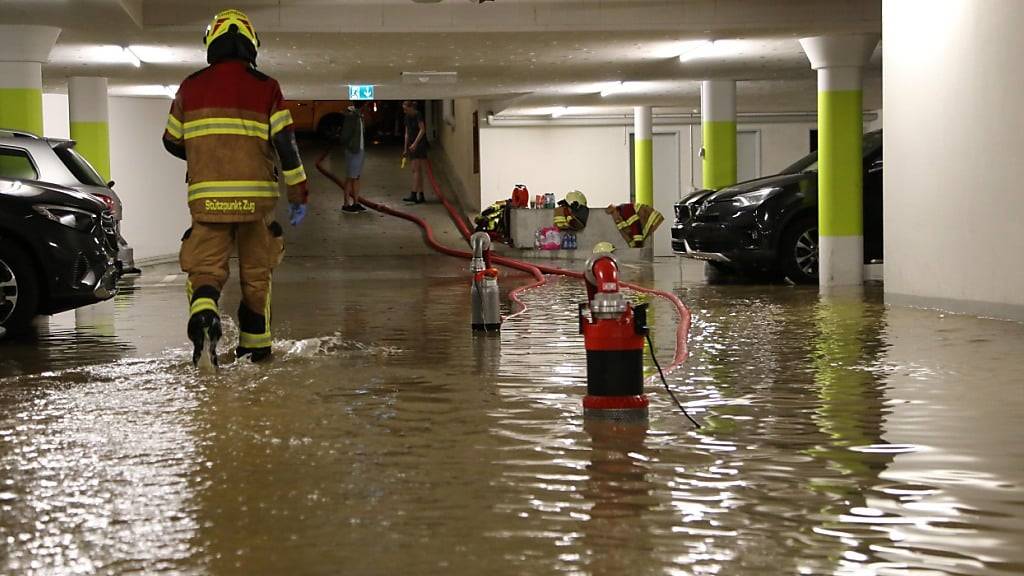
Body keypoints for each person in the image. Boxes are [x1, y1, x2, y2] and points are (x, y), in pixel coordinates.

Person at [162, 8, 309, 368]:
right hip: (256, 201)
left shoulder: (190, 87)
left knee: (205, 270)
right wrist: (298, 190)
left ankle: (205, 315)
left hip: (207, 200)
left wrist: (204, 155)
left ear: (211, 44)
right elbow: (286, 142)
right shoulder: (266, 87)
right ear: (250, 46)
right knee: (257, 274)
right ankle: (255, 350)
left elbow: (171, 140)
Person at [339, 101, 368, 213]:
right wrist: (351, 146)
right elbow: (345, 135)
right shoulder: (352, 117)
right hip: (353, 150)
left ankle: (356, 202)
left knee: (355, 177)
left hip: (359, 149)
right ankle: (346, 204)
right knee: (350, 177)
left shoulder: (359, 117)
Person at [401, 100, 427, 204]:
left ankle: (414, 194)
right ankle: (421, 194)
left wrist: (415, 143)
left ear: (411, 108)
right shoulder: (407, 117)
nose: (404, 111)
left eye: (406, 109)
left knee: (415, 169)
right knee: (418, 170)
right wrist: (405, 148)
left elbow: (422, 130)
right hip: (412, 144)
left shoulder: (418, 115)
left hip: (419, 144)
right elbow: (406, 133)